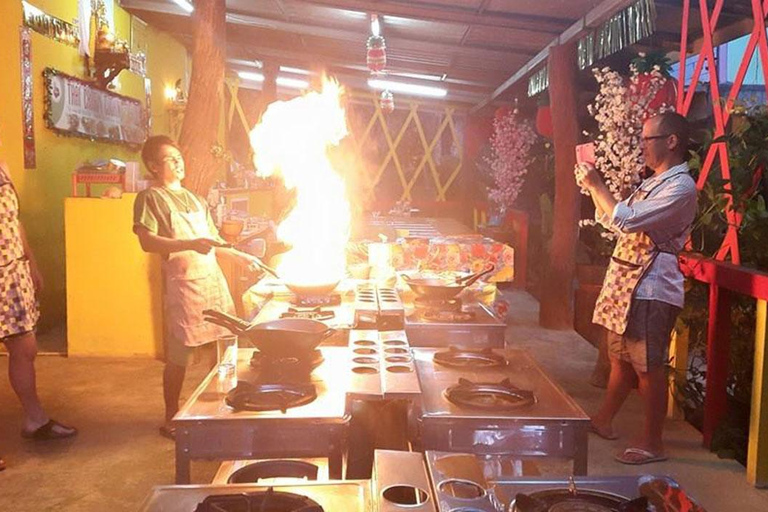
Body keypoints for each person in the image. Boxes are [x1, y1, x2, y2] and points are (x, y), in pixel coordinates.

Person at [575, 112, 697, 465]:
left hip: (651, 286)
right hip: (627, 282)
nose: (642, 146)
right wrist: (592, 188)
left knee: (647, 366)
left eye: (648, 140)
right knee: (620, 359)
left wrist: (598, 185)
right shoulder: (654, 182)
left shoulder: (680, 187)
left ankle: (652, 441)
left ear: (671, 141)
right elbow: (616, 220)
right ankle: (603, 419)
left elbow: (626, 219)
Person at [133, 135, 262, 439]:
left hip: (212, 280)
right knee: (180, 355)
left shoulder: (195, 200)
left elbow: (213, 244)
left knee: (226, 346)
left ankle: (223, 405)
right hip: (184, 284)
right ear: (153, 166)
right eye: (171, 159)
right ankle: (170, 416)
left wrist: (239, 256)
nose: (179, 164)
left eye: (180, 157)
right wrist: (190, 243)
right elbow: (146, 241)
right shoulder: (151, 199)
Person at [1, 159, 77, 470]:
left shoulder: (2, 167)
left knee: (25, 348)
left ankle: (35, 419)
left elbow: (13, 220)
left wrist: (30, 260)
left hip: (12, 272)